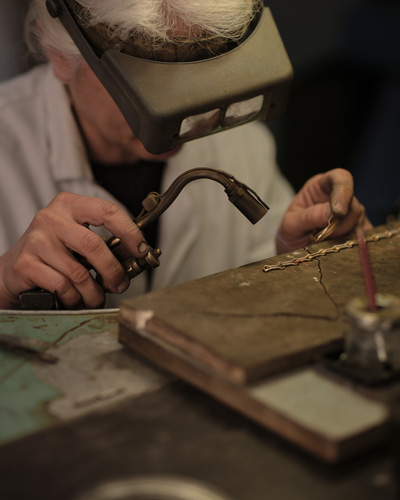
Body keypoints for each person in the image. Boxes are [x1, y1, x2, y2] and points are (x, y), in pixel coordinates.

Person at [0, 0, 370, 310]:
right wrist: (3, 286)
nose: (197, 118)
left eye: (202, 70)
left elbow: (268, 299)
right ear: (60, 54)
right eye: (156, 82)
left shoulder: (243, 143)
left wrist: (291, 253)